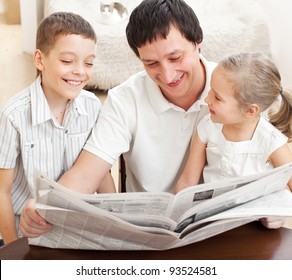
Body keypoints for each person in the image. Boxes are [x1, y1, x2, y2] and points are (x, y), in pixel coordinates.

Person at [19, 0, 284, 238]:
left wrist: (276, 208)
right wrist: (45, 205)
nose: (168, 76)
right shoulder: (125, 99)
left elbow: (268, 163)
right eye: (151, 64)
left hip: (226, 230)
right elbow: (87, 175)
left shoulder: (236, 87)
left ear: (198, 41)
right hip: (150, 232)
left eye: (176, 57)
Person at [0, 12, 115, 245]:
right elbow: (2, 191)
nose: (80, 71)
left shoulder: (93, 106)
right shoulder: (14, 115)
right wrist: (13, 251)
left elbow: (102, 173)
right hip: (26, 231)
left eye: (89, 62)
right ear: (40, 60)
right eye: (67, 61)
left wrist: (117, 223)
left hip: (75, 226)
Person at [175, 52, 292, 194]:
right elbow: (188, 180)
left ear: (250, 111)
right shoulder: (207, 127)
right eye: (211, 89)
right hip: (212, 212)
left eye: (217, 97)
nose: (207, 99)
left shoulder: (271, 142)